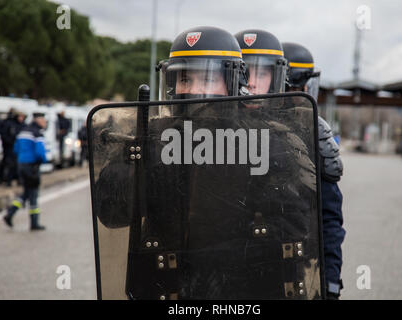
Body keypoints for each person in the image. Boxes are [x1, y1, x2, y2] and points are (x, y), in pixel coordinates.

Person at [91, 27, 322, 300]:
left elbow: (298, 237)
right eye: (185, 79)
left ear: (233, 82)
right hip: (166, 290)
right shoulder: (153, 138)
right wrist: (138, 164)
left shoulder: (270, 141)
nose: (192, 90)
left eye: (208, 79)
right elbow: (110, 212)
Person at [282, 42, 346, 299]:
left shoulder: (314, 133)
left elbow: (329, 220)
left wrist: (330, 282)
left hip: (296, 268)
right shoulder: (236, 127)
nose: (301, 93)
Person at [3, 113, 48, 231]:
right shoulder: (37, 133)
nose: (46, 123)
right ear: (39, 121)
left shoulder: (23, 131)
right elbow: (40, 153)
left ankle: (10, 213)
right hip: (32, 167)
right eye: (44, 121)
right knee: (33, 194)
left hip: (21, 165)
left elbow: (16, 149)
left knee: (26, 192)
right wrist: (43, 161)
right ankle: (34, 223)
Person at [0, 108, 26, 186]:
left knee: (18, 164)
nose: (21, 118)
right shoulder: (9, 123)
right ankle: (6, 180)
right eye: (20, 116)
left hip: (19, 148)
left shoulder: (23, 125)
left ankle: (19, 180)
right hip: (9, 147)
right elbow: (3, 134)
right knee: (9, 164)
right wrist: (10, 142)